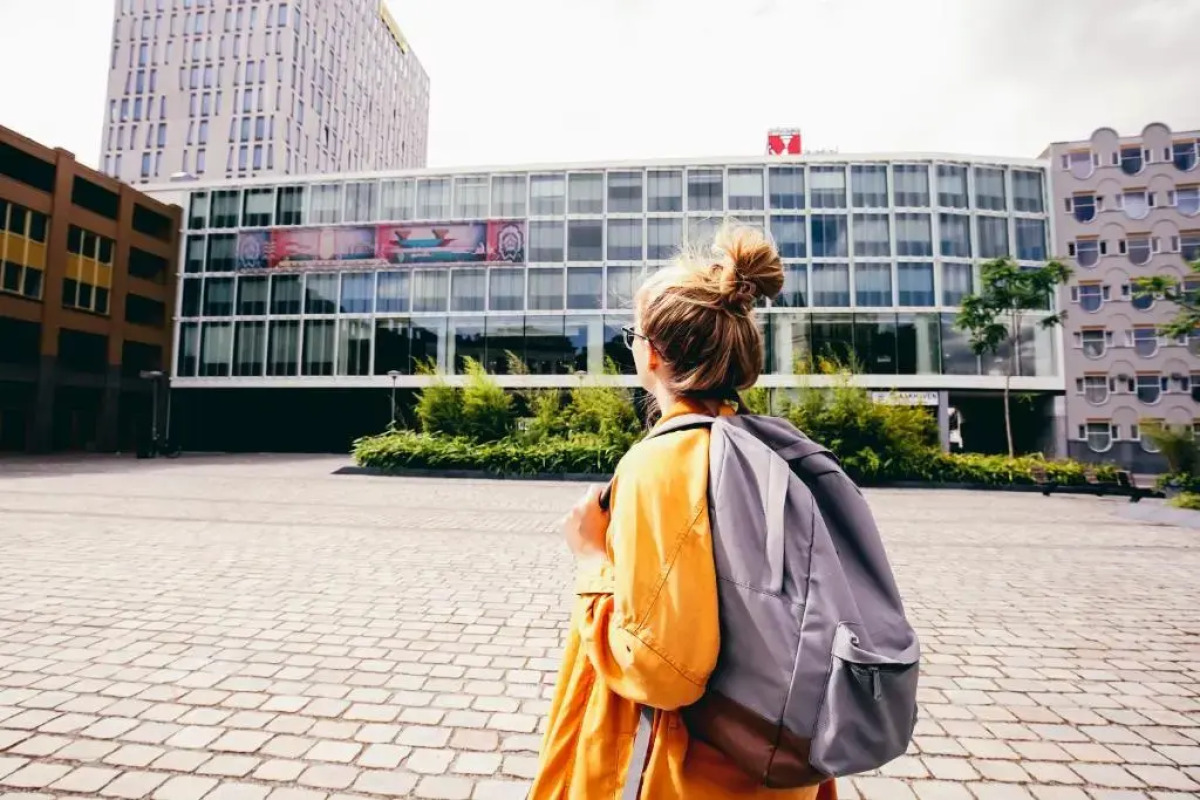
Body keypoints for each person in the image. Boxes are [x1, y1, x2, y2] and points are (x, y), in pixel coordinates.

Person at [529, 225, 838, 800]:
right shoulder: (770, 447)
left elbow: (662, 671)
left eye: (632, 335)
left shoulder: (666, 461)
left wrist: (592, 557)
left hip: (677, 773)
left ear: (651, 352)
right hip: (771, 760)